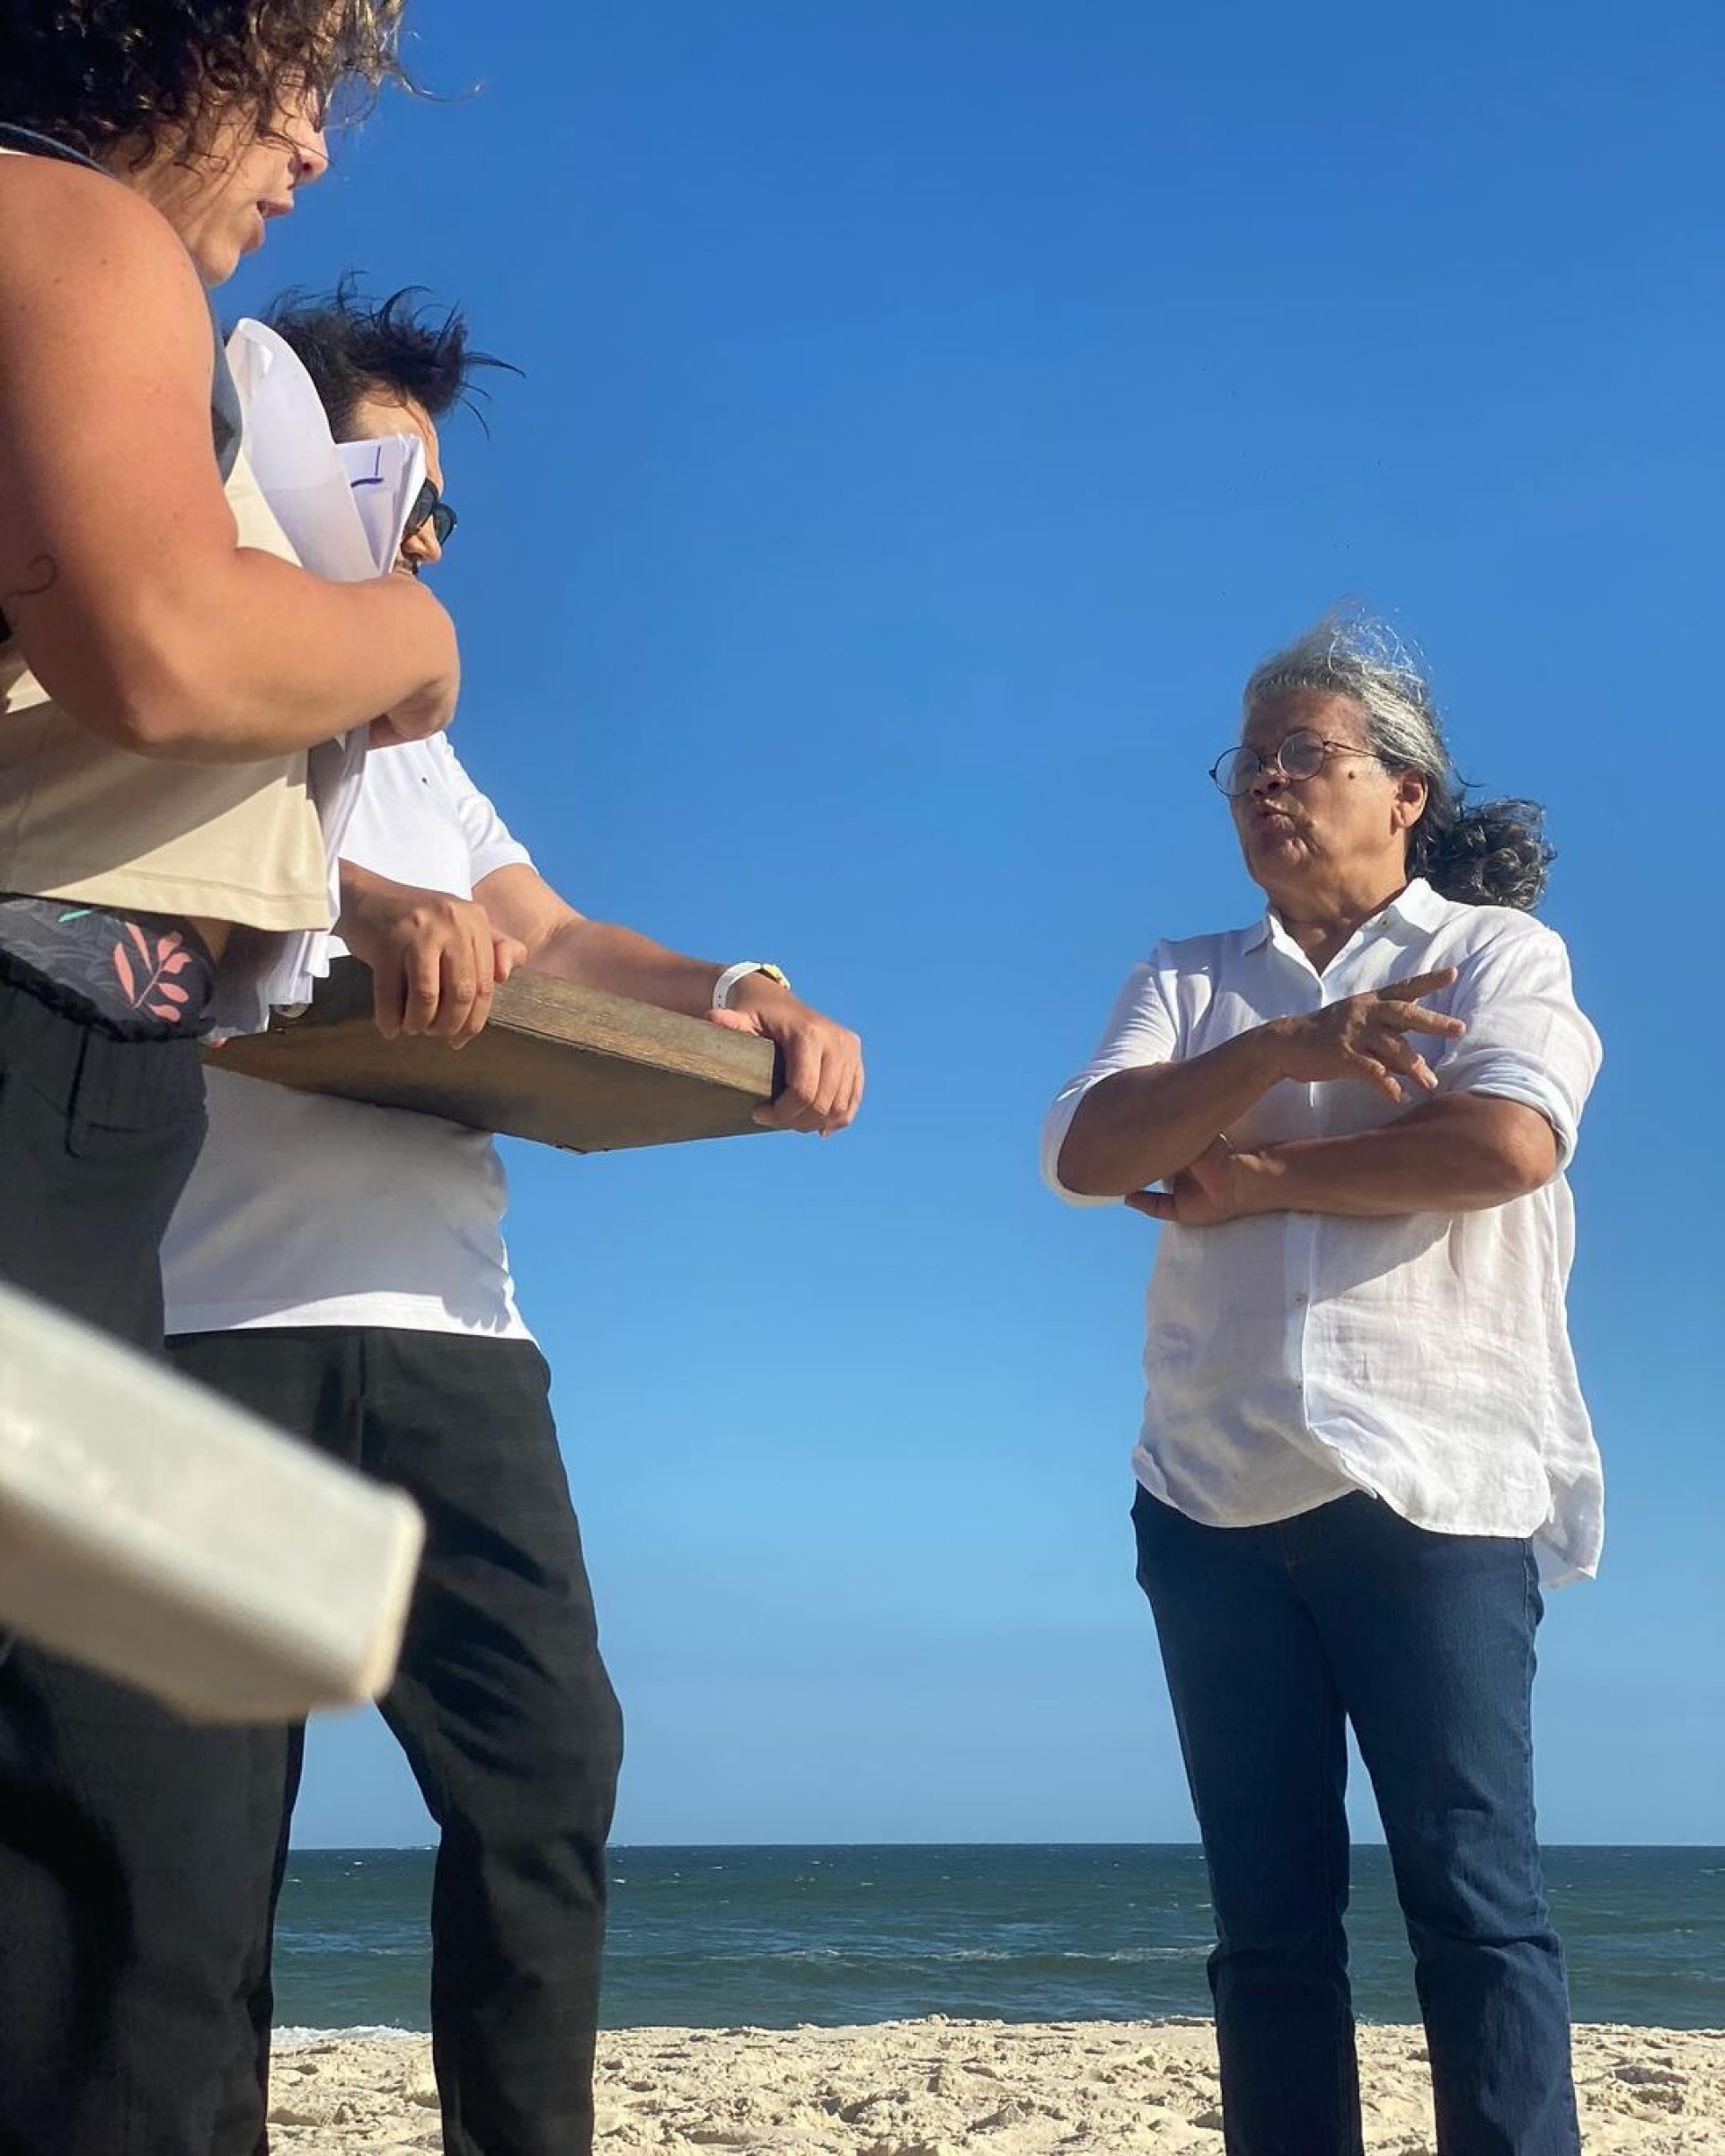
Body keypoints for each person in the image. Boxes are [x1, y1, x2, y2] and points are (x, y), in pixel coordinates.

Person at [161, 284, 867, 2156]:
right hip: (201, 1329)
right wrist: (368, 912)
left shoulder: (412, 749)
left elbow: (550, 934)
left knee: (547, 1780)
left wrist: (742, 988)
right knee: (200, 1847)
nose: (428, 541)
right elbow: (184, 888)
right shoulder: (161, 655)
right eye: (406, 490)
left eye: (444, 518)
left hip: (455, 1338)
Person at [0, 8, 457, 2149]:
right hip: (36, 1066)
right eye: (289, 93)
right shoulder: (70, 219)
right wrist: (398, 644)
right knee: (143, 1835)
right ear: (161, 47)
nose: (307, 157)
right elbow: (162, 644)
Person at [1041, 613, 1602, 2156]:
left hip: (1434, 1486)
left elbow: (1504, 1146)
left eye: (1305, 754)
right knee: (1267, 1926)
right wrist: (1294, 1039)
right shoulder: (1189, 975)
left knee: (1476, 1907)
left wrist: (1262, 1170)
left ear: (1403, 789)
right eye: (1247, 761)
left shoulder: (1496, 955)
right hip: (1209, 1499)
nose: (1265, 785)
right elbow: (1091, 1154)